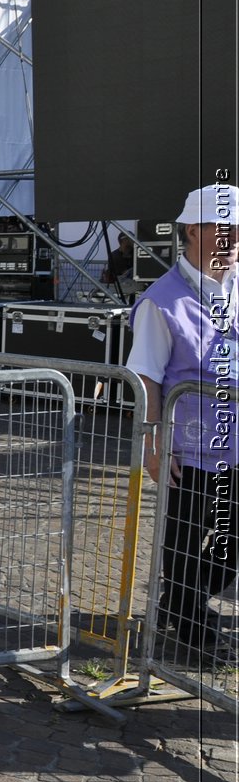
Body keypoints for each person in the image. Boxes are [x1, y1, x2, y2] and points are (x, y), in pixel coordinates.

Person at [125, 182, 239, 667]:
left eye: (237, 229)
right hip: (189, 446)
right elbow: (145, 377)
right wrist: (154, 444)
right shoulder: (162, 301)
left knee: (230, 539)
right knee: (187, 535)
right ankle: (191, 625)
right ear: (194, 231)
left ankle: (179, 601)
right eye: (223, 229)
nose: (232, 239)